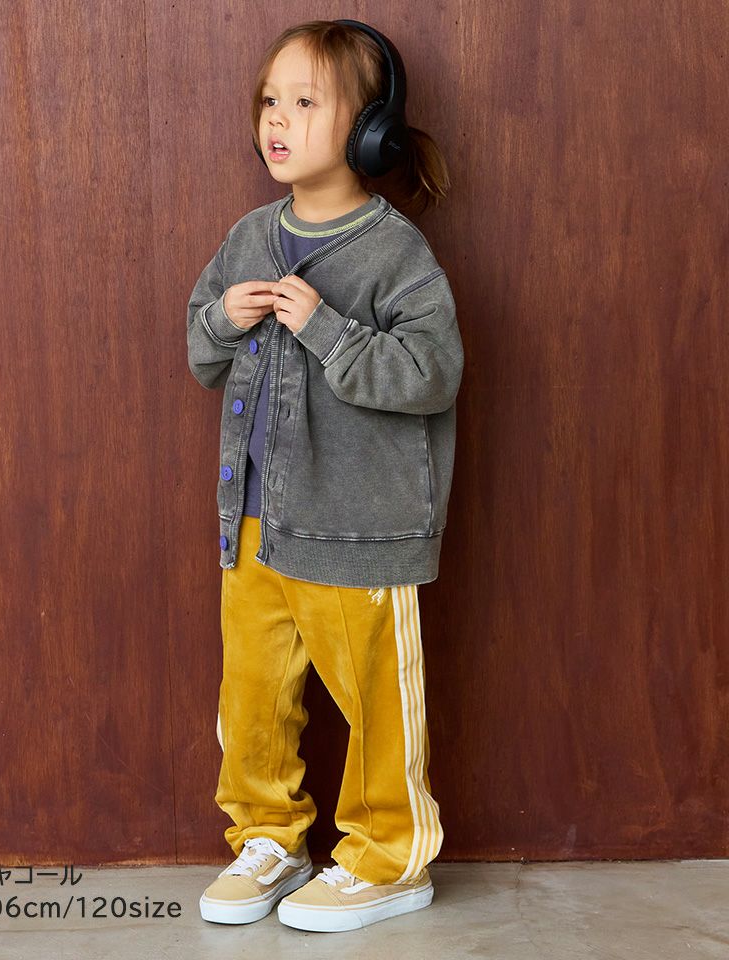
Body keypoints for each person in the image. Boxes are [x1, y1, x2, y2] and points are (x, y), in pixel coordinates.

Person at [186, 19, 464, 932]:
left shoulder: (394, 253)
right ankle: (269, 837)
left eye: (305, 102)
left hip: (358, 525)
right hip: (256, 522)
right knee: (253, 695)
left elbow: (431, 374)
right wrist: (222, 319)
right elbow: (200, 351)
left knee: (376, 699)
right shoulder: (248, 237)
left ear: (369, 129)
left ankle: (389, 857)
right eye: (271, 100)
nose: (278, 120)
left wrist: (328, 330)